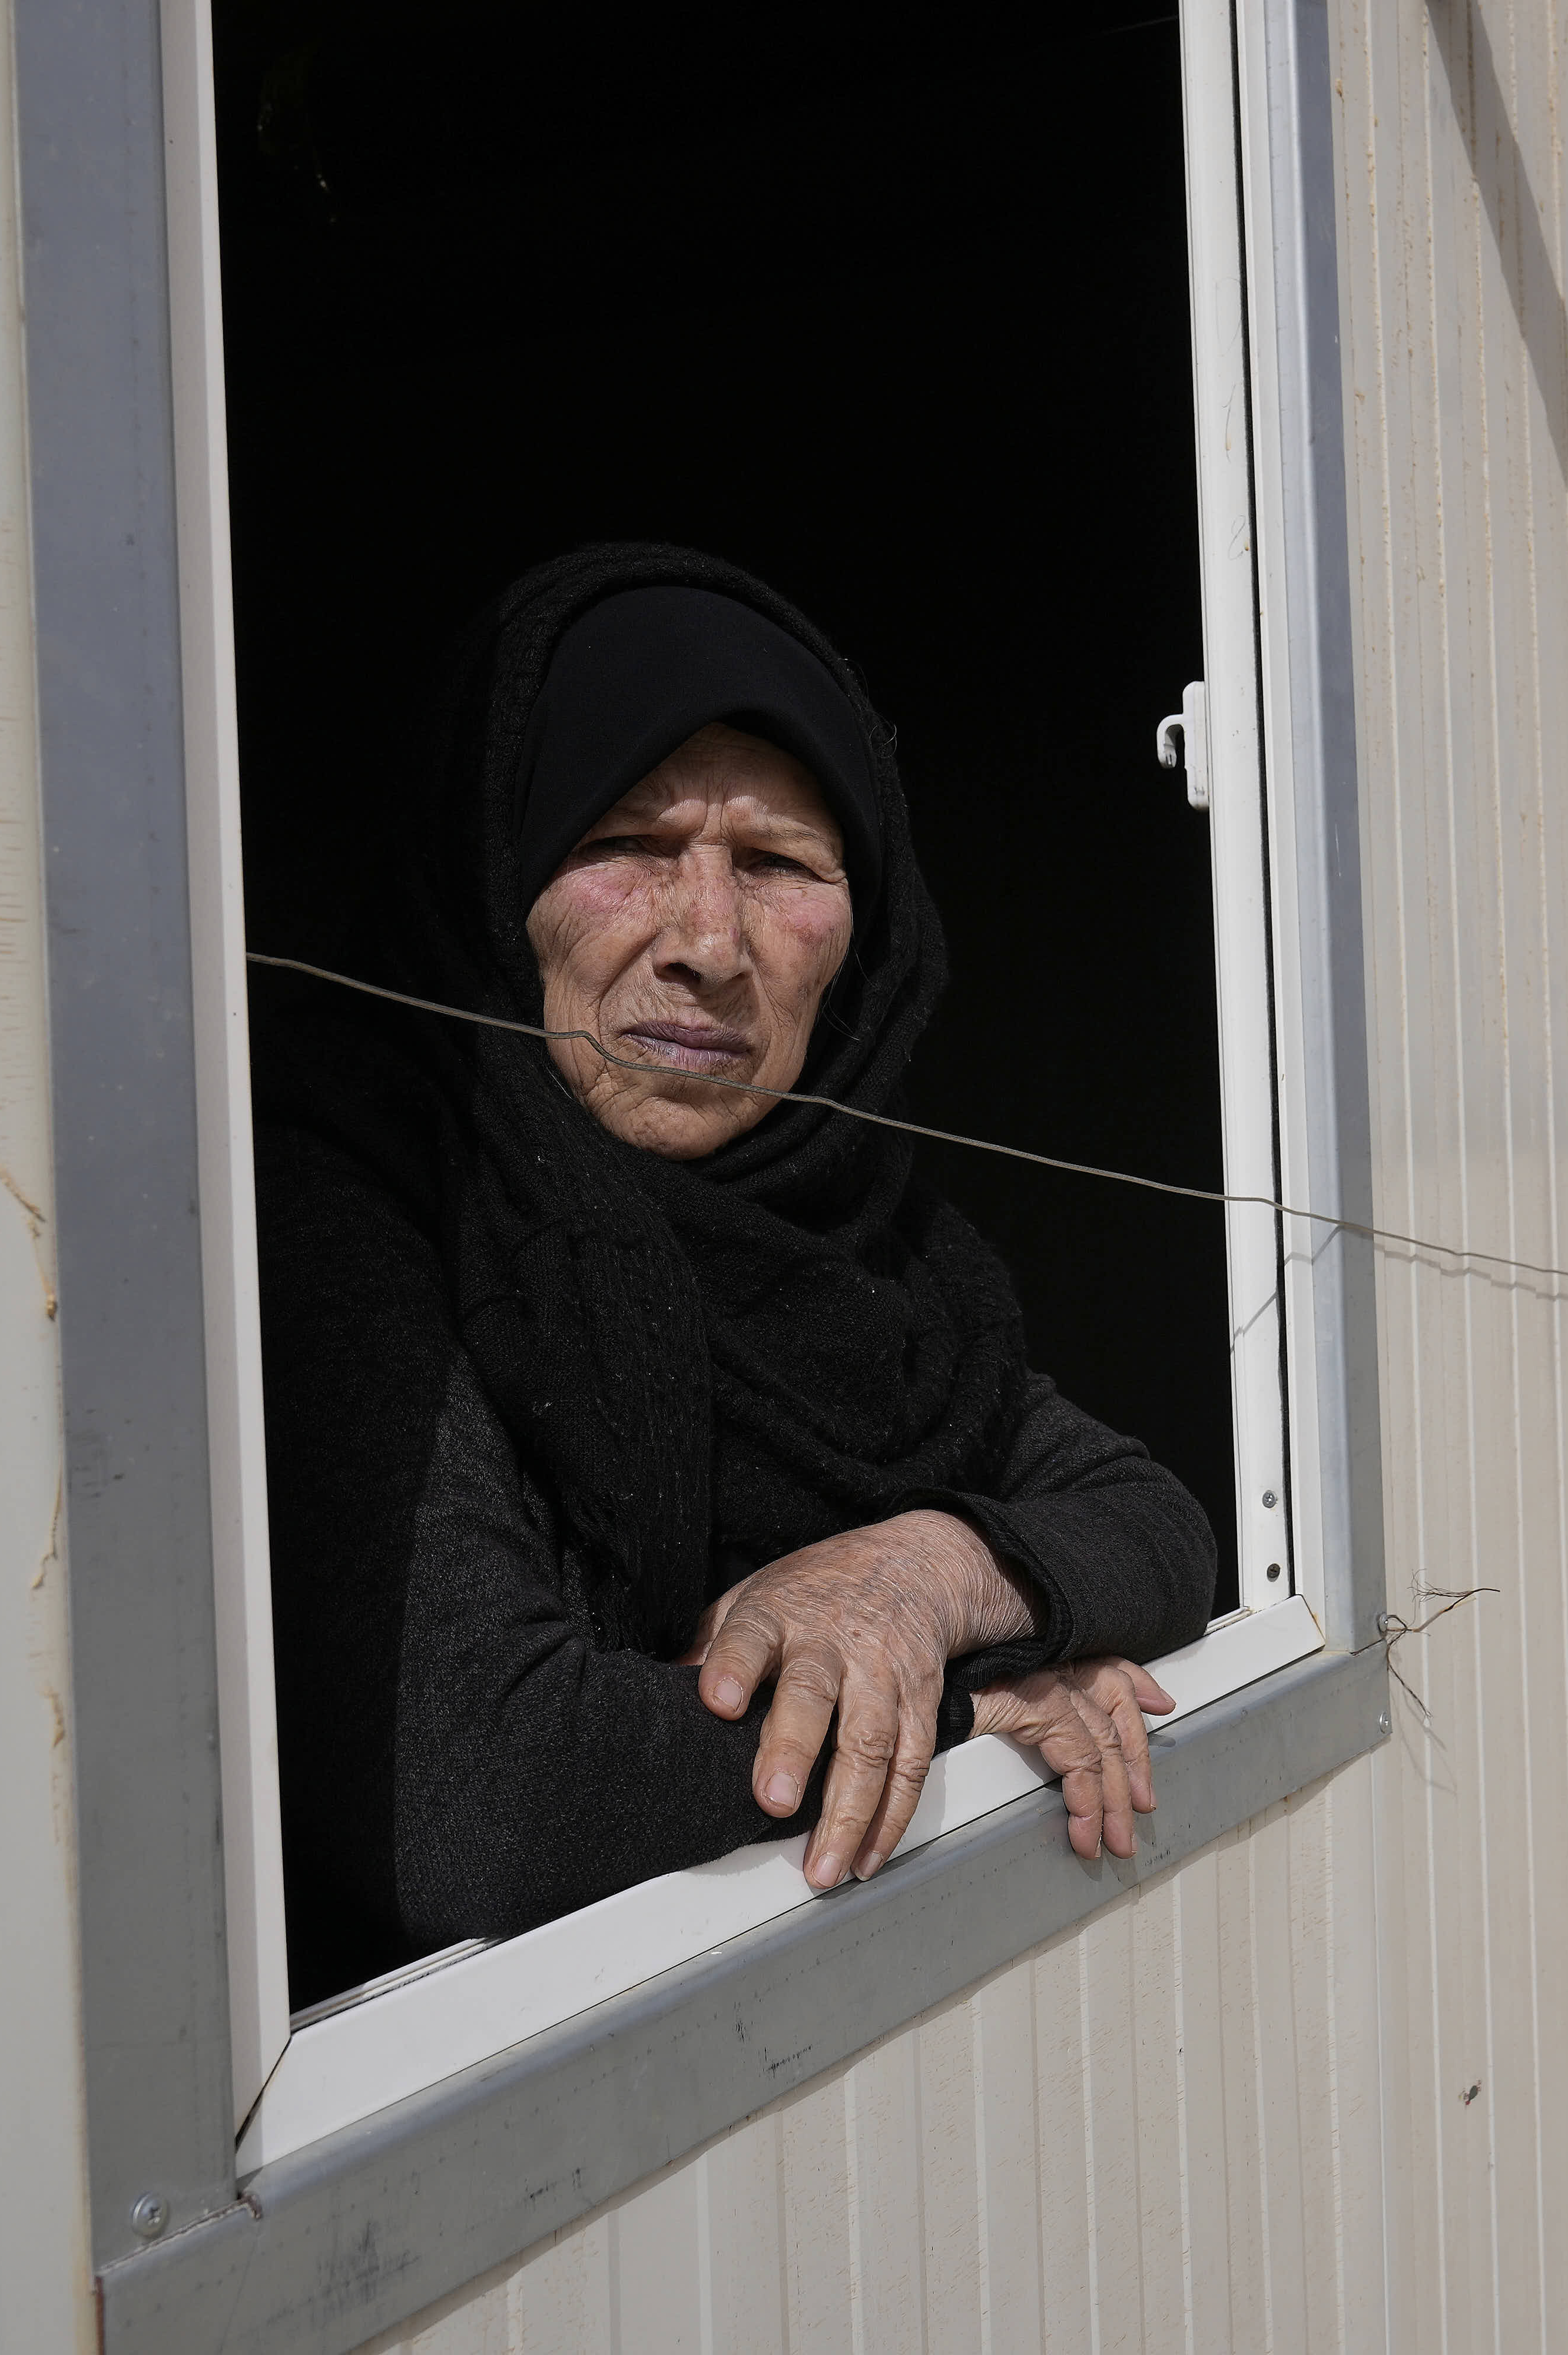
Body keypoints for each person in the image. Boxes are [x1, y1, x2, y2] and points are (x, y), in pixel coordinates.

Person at [253, 546, 1216, 2005]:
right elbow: (483, 1788)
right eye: (626, 841)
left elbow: (1153, 1522)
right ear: (495, 873)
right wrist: (979, 1699)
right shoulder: (350, 1200)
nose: (708, 942)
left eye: (774, 865)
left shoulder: (873, 1251)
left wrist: (924, 1571)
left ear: (863, 925)